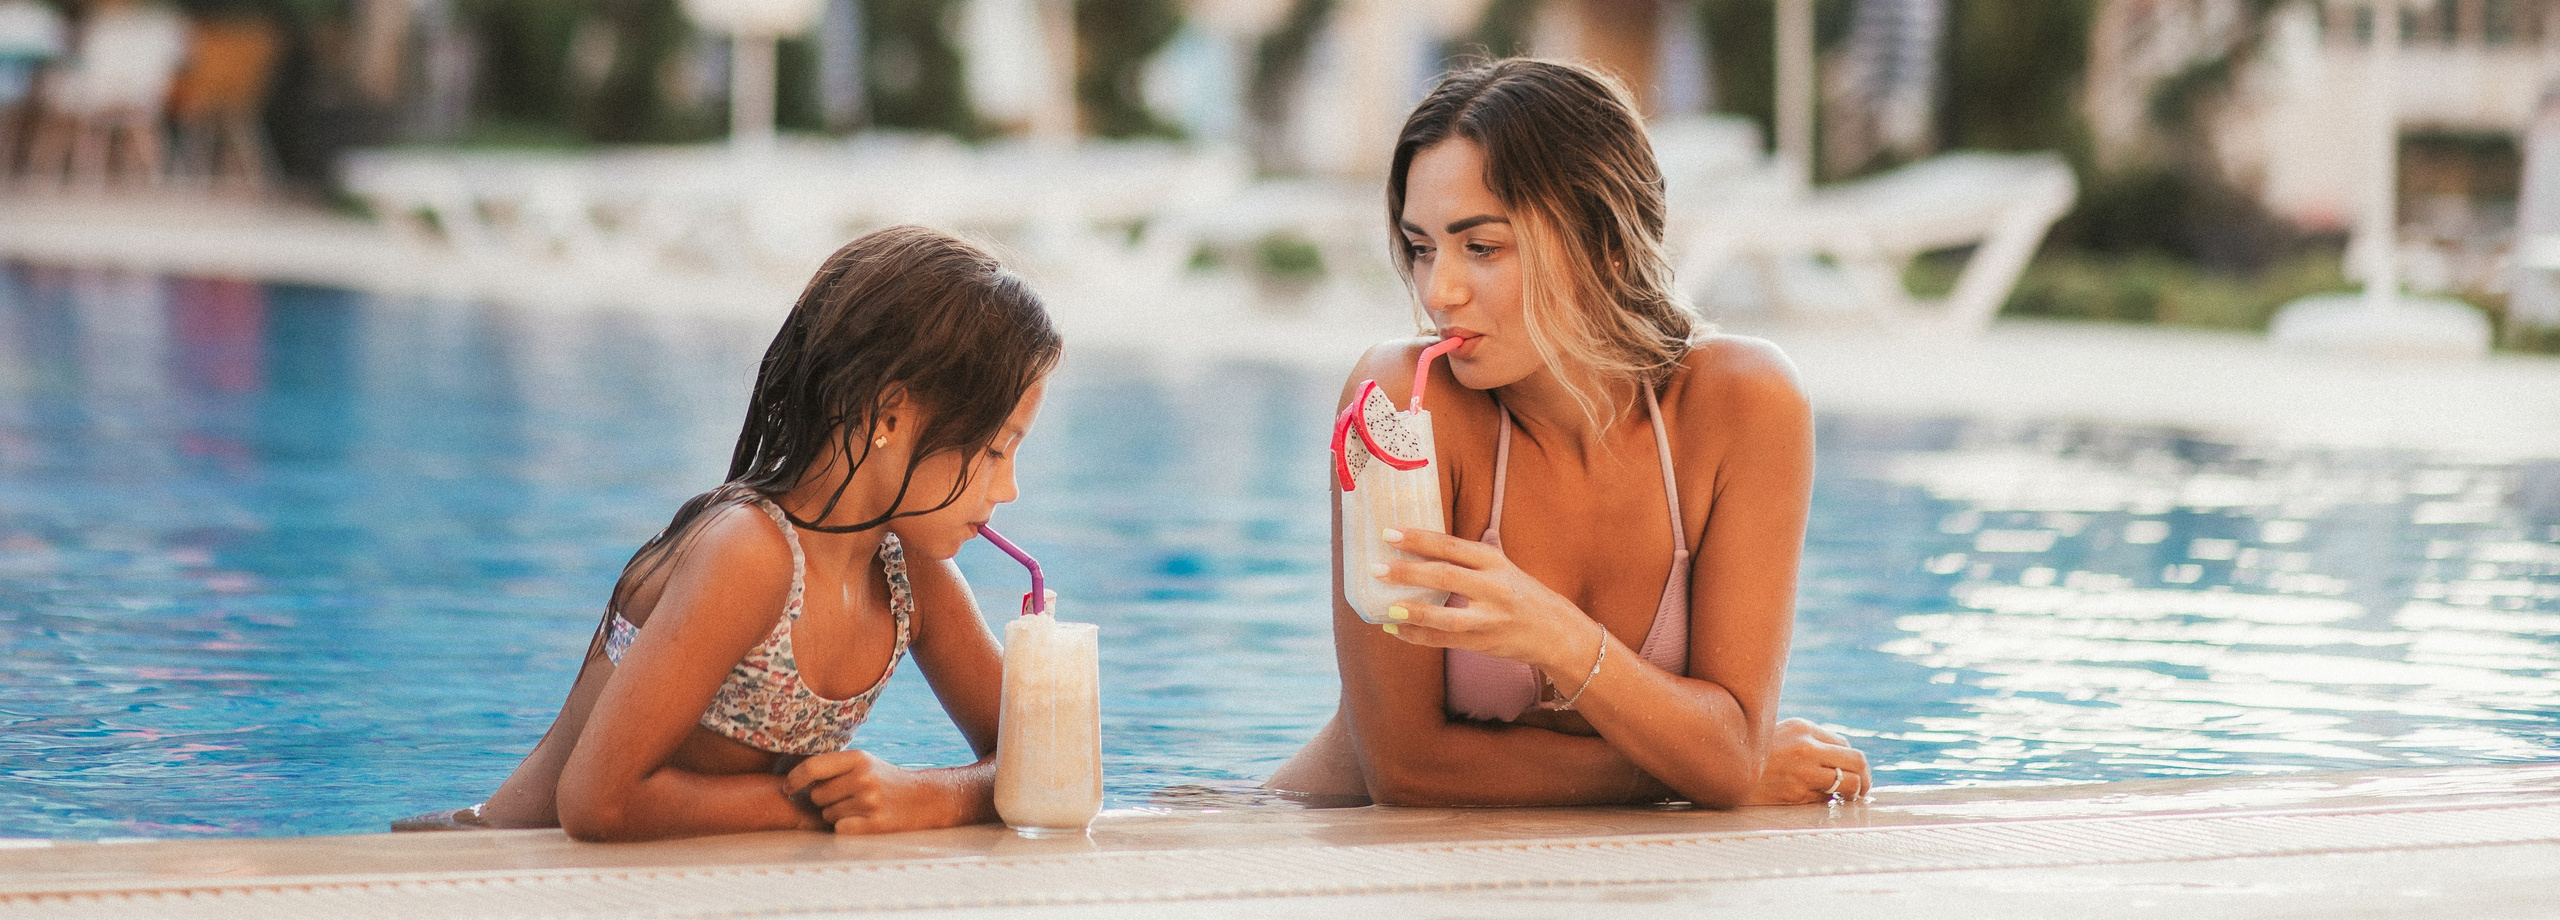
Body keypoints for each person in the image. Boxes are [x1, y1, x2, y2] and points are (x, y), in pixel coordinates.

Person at [1266, 59, 1871, 808]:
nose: (1437, 291)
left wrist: (1558, 636)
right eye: (1422, 247)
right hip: (1310, 842)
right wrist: (1698, 767)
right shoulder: (1402, 408)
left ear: (1603, 242)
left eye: (1480, 247)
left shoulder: (1743, 405)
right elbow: (1407, 771)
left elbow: (1731, 749)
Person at [395, 226, 1061, 841]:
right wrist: (815, 810)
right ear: (888, 415)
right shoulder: (749, 553)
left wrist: (928, 797)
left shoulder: (907, 578)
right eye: (997, 450)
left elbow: (1045, 757)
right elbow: (598, 802)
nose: (1008, 489)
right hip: (496, 862)